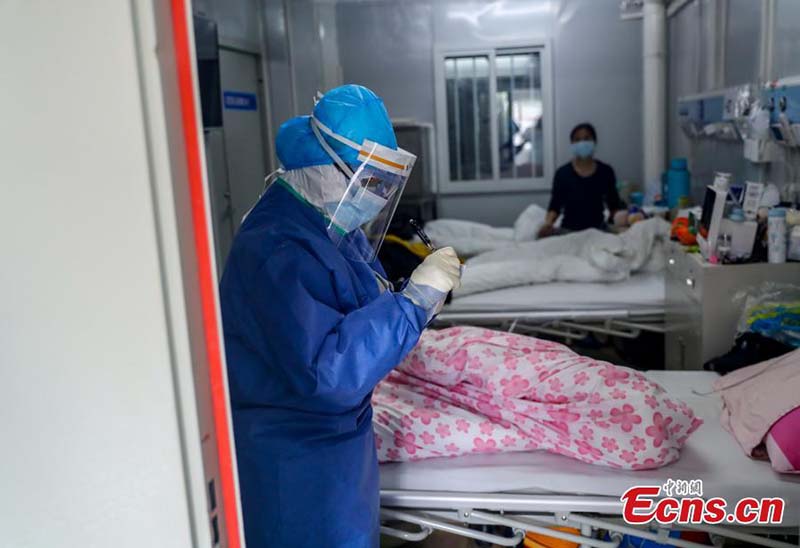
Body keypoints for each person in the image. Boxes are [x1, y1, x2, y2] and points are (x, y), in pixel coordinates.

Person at [218, 84, 462, 548]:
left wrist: (408, 301)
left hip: (335, 447)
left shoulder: (327, 223)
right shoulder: (276, 248)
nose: (378, 195)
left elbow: (363, 298)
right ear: (326, 168)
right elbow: (326, 372)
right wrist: (412, 304)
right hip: (295, 459)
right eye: (371, 182)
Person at [537, 123, 625, 237]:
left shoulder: (606, 171)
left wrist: (623, 221)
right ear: (572, 144)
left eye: (586, 138)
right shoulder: (562, 173)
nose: (582, 143)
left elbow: (614, 205)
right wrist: (548, 224)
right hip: (568, 231)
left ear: (594, 142)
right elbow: (555, 206)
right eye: (577, 140)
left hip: (598, 231)